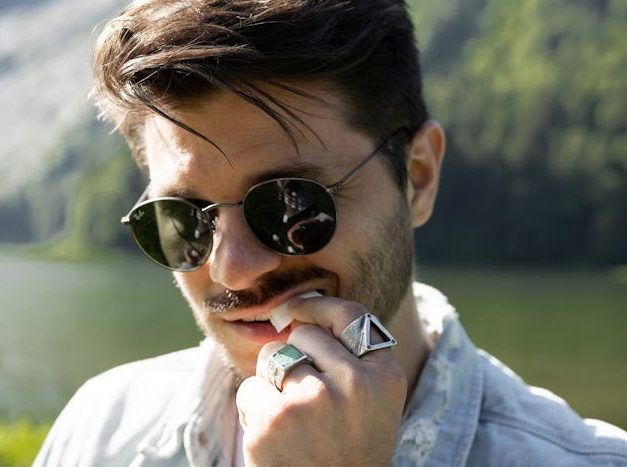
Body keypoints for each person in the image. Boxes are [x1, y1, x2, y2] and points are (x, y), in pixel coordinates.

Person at [34, 1, 627, 466]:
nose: (233, 267)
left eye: (291, 202)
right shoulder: (100, 428)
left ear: (418, 177)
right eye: (184, 218)